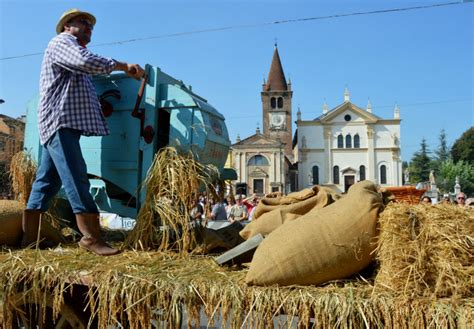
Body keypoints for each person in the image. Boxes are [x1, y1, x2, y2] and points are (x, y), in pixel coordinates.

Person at [22, 9, 145, 256]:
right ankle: (90, 237)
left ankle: (29, 239)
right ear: (67, 26)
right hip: (60, 122)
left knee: (47, 182)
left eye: (91, 25)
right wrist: (124, 66)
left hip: (60, 123)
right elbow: (86, 62)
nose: (89, 27)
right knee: (76, 175)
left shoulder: (73, 49)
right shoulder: (62, 42)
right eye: (83, 22)